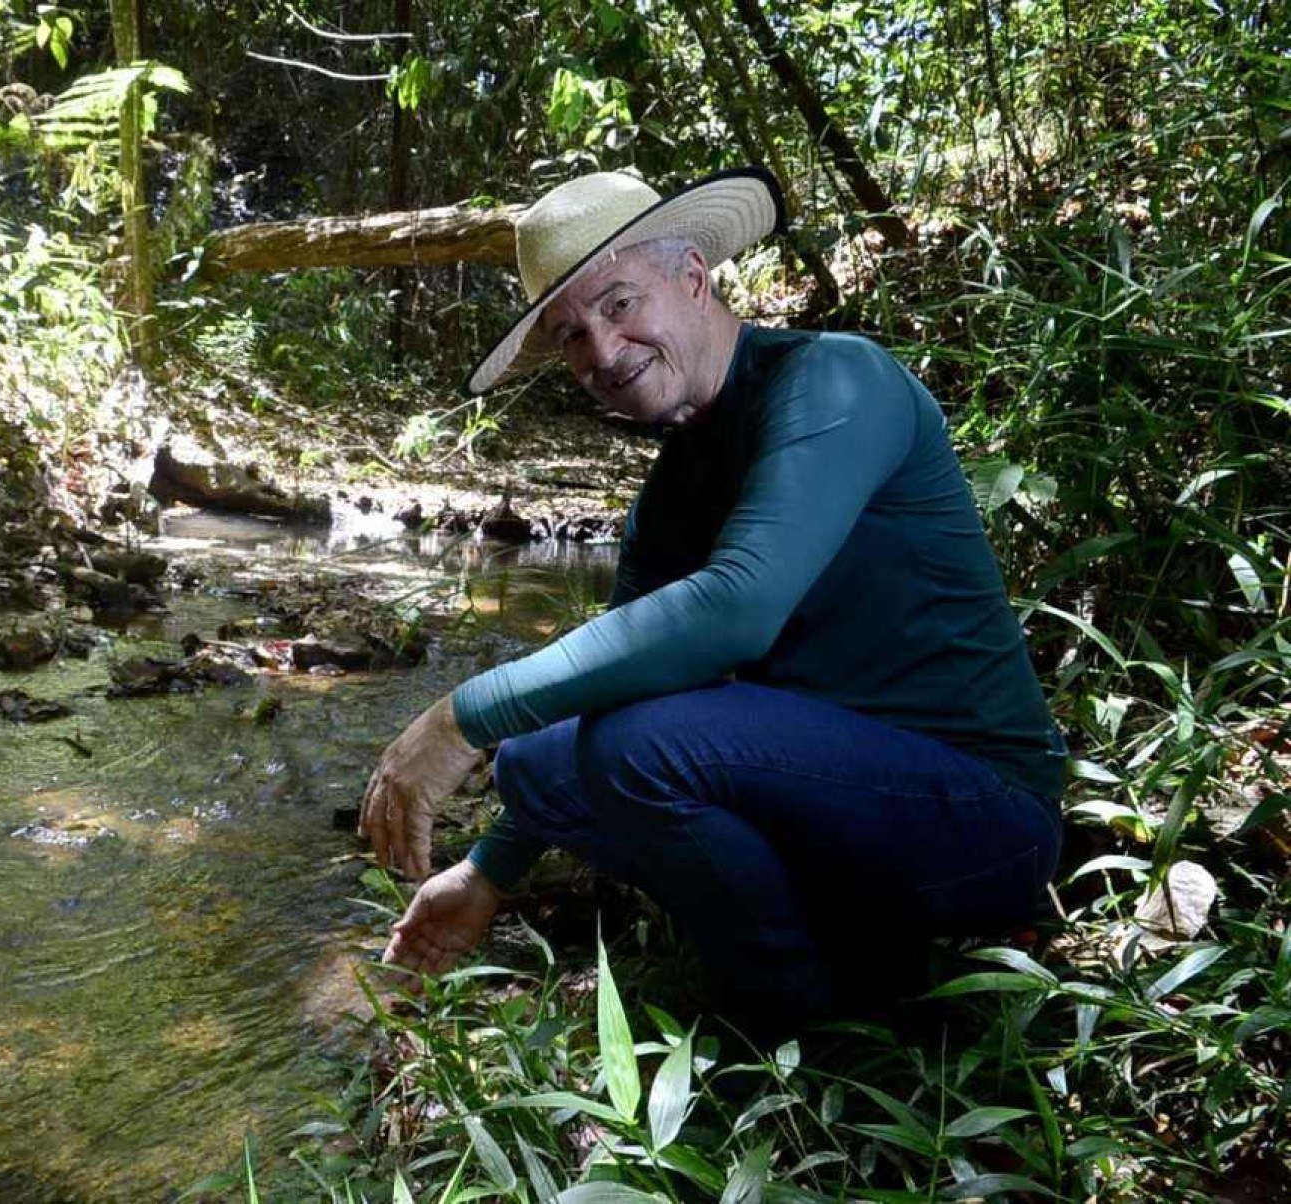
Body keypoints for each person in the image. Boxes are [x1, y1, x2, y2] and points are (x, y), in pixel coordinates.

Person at [358, 167, 1067, 1038]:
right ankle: (818, 934)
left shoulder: (839, 381)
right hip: (832, 800)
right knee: (538, 760)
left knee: (634, 749)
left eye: (619, 305)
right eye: (571, 335)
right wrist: (485, 873)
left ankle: (801, 1023)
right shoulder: (673, 484)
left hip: (980, 824)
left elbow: (739, 606)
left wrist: (462, 717)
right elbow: (611, 677)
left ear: (693, 276)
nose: (603, 353)